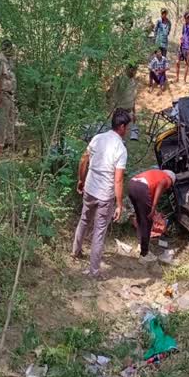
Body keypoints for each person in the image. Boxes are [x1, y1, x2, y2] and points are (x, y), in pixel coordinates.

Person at [72, 109, 131, 278]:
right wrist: (119, 204)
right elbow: (118, 180)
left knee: (84, 219)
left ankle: (75, 251)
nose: (126, 131)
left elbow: (84, 159)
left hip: (90, 189)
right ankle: (94, 271)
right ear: (121, 127)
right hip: (105, 195)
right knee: (99, 231)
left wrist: (81, 180)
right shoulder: (120, 149)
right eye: (126, 127)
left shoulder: (98, 138)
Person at [127, 169, 176, 264]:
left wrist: (152, 207)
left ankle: (140, 245)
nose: (168, 188)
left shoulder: (156, 173)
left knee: (140, 218)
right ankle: (144, 254)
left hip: (132, 184)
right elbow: (161, 185)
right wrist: (153, 208)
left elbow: (152, 190)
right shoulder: (166, 178)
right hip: (142, 188)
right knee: (147, 221)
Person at [0, 39, 17, 154]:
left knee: (11, 119)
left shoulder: (10, 60)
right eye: (7, 48)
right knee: (2, 120)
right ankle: (0, 147)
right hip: (3, 94)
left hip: (11, 94)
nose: (9, 50)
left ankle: (10, 143)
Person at [109, 65, 140, 141]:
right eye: (132, 70)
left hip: (129, 113)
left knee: (124, 136)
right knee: (116, 136)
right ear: (127, 69)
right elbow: (110, 93)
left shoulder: (133, 81)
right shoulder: (120, 80)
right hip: (120, 112)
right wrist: (111, 105)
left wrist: (134, 112)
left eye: (135, 70)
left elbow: (132, 97)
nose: (134, 72)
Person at [176, 12, 189, 83]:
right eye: (187, 17)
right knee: (177, 62)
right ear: (185, 18)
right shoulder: (184, 25)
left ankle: (184, 80)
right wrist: (180, 40)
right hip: (182, 46)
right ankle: (177, 78)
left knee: (187, 63)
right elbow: (182, 34)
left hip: (188, 47)